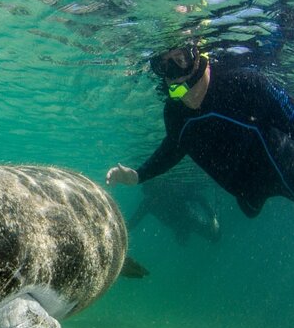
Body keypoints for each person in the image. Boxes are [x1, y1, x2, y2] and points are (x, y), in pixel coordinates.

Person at [106, 43, 294, 218]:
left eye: (181, 59)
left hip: (285, 172)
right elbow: (174, 147)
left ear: (197, 57)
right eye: (164, 65)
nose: (176, 73)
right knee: (250, 211)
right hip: (247, 195)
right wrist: (139, 176)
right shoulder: (174, 112)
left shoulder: (246, 83)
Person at [128, 178, 220, 245]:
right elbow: (133, 222)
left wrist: (213, 218)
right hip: (179, 225)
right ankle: (185, 230)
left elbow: (200, 197)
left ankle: (212, 218)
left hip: (190, 219)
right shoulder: (147, 203)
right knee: (182, 242)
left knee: (214, 236)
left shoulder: (172, 191)